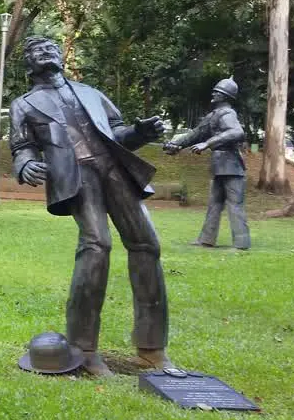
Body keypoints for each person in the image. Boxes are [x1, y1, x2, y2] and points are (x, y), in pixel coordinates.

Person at [9, 36, 173, 377]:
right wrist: (25, 165)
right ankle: (84, 348)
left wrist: (140, 133)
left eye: (51, 47)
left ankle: (152, 347)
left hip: (115, 168)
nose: (46, 51)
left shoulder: (91, 93)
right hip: (77, 176)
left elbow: (118, 133)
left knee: (147, 244)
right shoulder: (23, 104)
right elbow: (21, 146)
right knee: (97, 245)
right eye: (37, 50)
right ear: (28, 63)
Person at [164, 78, 251, 249]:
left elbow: (236, 132)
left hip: (232, 166)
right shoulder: (213, 116)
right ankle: (206, 239)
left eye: (217, 91)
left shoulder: (227, 113)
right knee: (214, 204)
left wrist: (208, 143)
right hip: (219, 166)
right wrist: (177, 145)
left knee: (235, 205)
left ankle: (241, 242)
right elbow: (196, 134)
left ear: (225, 96)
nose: (213, 93)